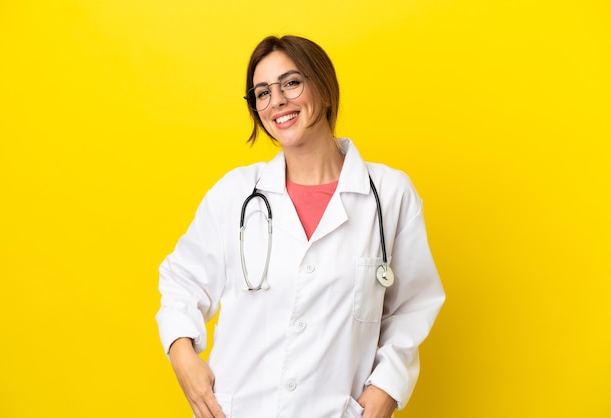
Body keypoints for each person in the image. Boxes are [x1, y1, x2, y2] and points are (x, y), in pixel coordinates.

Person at [156, 35, 445, 418]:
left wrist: (387, 386)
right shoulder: (237, 194)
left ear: (324, 90)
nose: (276, 101)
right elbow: (181, 281)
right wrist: (183, 359)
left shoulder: (388, 195)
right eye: (262, 93)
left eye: (291, 83)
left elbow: (412, 306)